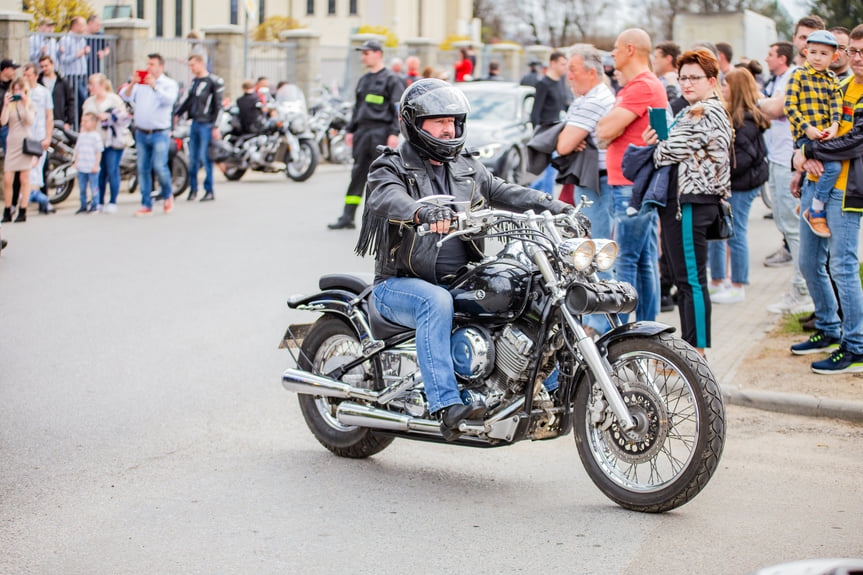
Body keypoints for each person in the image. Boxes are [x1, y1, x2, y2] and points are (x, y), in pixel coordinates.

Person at [356, 78, 584, 439]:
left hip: (458, 276)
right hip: (399, 285)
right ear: (414, 123)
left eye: (453, 121)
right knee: (436, 301)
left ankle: (548, 387)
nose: (449, 129)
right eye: (438, 121)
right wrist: (420, 212)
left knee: (526, 287)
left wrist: (552, 206)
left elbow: (502, 190)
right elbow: (386, 198)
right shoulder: (391, 166)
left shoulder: (466, 167)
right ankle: (446, 405)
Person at [643, 49, 733, 354]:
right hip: (686, 202)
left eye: (695, 78)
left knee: (690, 280)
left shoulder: (703, 110)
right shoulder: (693, 109)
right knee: (686, 279)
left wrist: (658, 143)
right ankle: (692, 350)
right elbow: (670, 145)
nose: (687, 83)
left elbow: (666, 152)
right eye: (682, 78)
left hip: (693, 202)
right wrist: (662, 141)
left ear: (711, 80)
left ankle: (696, 353)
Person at [790, 23, 863, 373]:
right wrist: (799, 163)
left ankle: (856, 344)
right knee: (807, 262)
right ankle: (829, 328)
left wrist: (808, 148)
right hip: (815, 183)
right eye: (855, 52)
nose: (858, 58)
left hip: (847, 192)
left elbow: (854, 142)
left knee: (843, 267)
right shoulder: (841, 85)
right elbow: (802, 117)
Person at [596, 28, 668, 323]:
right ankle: (647, 328)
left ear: (629, 49)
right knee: (643, 261)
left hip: (631, 188)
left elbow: (602, 132)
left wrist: (608, 129)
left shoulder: (643, 87)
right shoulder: (641, 85)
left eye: (615, 47)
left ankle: (624, 336)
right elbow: (603, 133)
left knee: (626, 261)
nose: (611, 53)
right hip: (634, 185)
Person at [556, 43, 616, 334]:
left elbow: (564, 144)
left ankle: (600, 324)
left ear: (592, 72)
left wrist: (568, 135)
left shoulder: (592, 100)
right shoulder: (594, 96)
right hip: (594, 181)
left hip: (596, 184)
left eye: (573, 70)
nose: (568, 76)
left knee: (597, 252)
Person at [758, 41, 816, 315]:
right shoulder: (780, 78)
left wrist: (757, 100)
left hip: (788, 160)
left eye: (771, 54)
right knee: (784, 224)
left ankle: (802, 289)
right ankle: (801, 286)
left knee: (793, 228)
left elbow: (774, 109)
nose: (803, 46)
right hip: (777, 157)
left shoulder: (795, 75)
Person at [708, 67, 770, 304]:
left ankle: (738, 284)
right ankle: (719, 279)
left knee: (736, 232)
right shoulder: (737, 117)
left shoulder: (745, 121)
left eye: (726, 85)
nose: (723, 89)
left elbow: (744, 158)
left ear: (736, 88)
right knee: (725, 231)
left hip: (743, 184)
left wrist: (721, 171)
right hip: (738, 182)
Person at [327, 39, 403, 230]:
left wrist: (394, 133)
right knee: (358, 173)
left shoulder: (391, 79)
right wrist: (351, 130)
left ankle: (379, 221)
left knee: (380, 176)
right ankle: (347, 216)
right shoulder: (364, 79)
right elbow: (358, 107)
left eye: (366, 53)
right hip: (362, 132)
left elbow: (398, 109)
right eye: (362, 53)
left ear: (378, 54)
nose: (363, 57)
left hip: (381, 132)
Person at [784, 30, 843, 239]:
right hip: (805, 135)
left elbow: (837, 107)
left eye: (824, 54)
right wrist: (807, 128)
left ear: (834, 57)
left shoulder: (832, 79)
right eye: (814, 52)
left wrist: (834, 126)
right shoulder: (798, 75)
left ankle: (807, 204)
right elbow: (789, 107)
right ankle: (815, 209)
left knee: (825, 170)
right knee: (832, 168)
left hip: (824, 136)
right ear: (806, 52)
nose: (818, 58)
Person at [119, 53, 179, 216]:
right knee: (142, 168)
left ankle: (167, 195)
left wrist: (154, 86)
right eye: (147, 64)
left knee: (159, 166)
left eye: (152, 64)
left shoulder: (168, 84)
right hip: (141, 132)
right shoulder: (141, 84)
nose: (148, 67)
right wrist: (132, 83)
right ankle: (146, 204)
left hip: (159, 132)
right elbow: (124, 95)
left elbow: (169, 100)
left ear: (160, 67)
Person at [175, 53, 223, 201]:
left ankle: (209, 190)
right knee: (193, 158)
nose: (191, 68)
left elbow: (218, 105)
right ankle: (193, 189)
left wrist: (215, 126)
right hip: (195, 122)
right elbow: (189, 100)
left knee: (205, 156)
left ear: (201, 63)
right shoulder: (195, 82)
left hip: (206, 124)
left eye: (193, 65)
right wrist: (178, 113)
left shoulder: (213, 82)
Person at [83, 73, 129, 213]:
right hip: (96, 141)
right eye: (89, 85)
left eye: (93, 85)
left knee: (112, 169)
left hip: (113, 140)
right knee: (100, 171)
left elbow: (124, 117)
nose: (90, 87)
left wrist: (109, 116)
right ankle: (99, 201)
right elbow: (83, 121)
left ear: (101, 86)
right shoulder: (89, 102)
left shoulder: (114, 99)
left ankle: (113, 201)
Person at [530, 51, 568, 195]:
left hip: (556, 131)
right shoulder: (543, 84)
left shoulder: (560, 83)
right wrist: (538, 135)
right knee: (550, 172)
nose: (565, 67)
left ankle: (529, 193)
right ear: (553, 63)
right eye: (562, 64)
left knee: (551, 172)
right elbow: (535, 112)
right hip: (545, 133)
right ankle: (548, 202)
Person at [21, 63, 54, 215]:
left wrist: (48, 136)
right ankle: (27, 201)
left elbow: (49, 116)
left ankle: (41, 201)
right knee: (26, 171)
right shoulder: (21, 93)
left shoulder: (44, 92)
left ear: (35, 76)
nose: (25, 78)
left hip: (39, 136)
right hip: (25, 136)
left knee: (38, 171)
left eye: (28, 75)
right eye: (24, 75)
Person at [1, 78, 36, 223]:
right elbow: (3, 121)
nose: (17, 92)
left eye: (19, 90)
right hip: (12, 142)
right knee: (8, 179)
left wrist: (24, 103)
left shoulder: (30, 104)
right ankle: (8, 210)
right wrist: (6, 105)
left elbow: (29, 121)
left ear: (25, 90)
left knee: (24, 178)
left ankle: (23, 210)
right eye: (14, 90)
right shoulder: (10, 105)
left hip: (24, 143)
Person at [59, 16, 90, 126]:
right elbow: (63, 59)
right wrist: (76, 55)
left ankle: (79, 125)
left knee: (80, 102)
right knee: (83, 100)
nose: (85, 28)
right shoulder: (66, 40)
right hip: (72, 76)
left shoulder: (82, 39)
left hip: (82, 75)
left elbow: (83, 58)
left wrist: (86, 53)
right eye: (83, 25)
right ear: (75, 26)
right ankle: (77, 125)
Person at [73, 112, 103, 213]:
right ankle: (83, 205)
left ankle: (95, 205)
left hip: (92, 167)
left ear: (94, 123)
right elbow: (78, 149)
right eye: (82, 121)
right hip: (82, 166)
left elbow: (99, 152)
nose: (83, 123)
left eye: (86, 121)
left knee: (94, 187)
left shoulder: (96, 136)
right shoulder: (81, 136)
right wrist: (76, 161)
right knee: (82, 188)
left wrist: (96, 164)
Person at [38, 55, 74, 131]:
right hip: (42, 122)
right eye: (42, 67)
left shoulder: (62, 81)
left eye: (46, 66)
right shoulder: (38, 82)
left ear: (52, 64)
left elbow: (70, 102)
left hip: (59, 120)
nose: (44, 69)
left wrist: (69, 122)